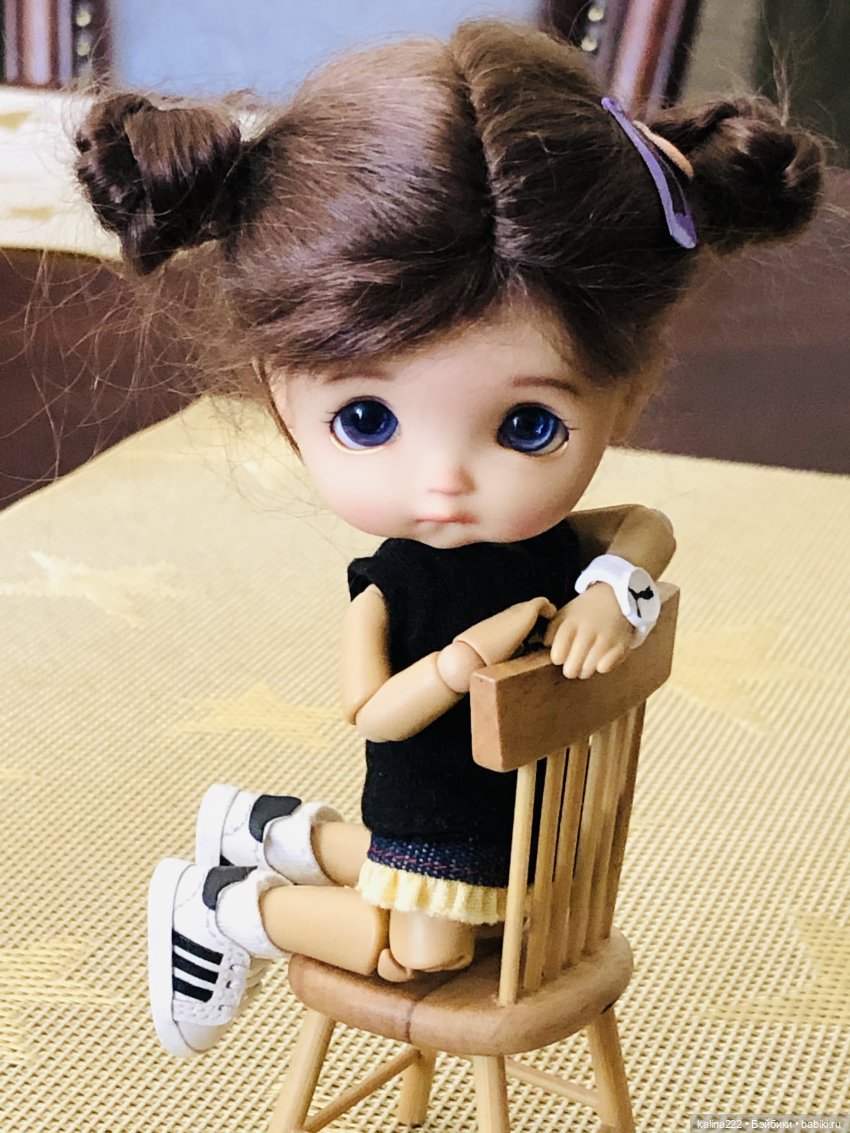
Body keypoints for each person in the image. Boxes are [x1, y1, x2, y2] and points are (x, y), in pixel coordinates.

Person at [75, 20, 823, 1059]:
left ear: (627, 392)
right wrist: (459, 664)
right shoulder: (389, 586)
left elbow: (641, 528)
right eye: (366, 419)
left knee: (469, 912)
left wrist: (614, 586)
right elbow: (373, 710)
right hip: (432, 808)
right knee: (416, 950)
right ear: (276, 393)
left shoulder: (554, 548)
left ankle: (278, 831)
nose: (444, 482)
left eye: (528, 426)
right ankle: (228, 903)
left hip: (514, 827)